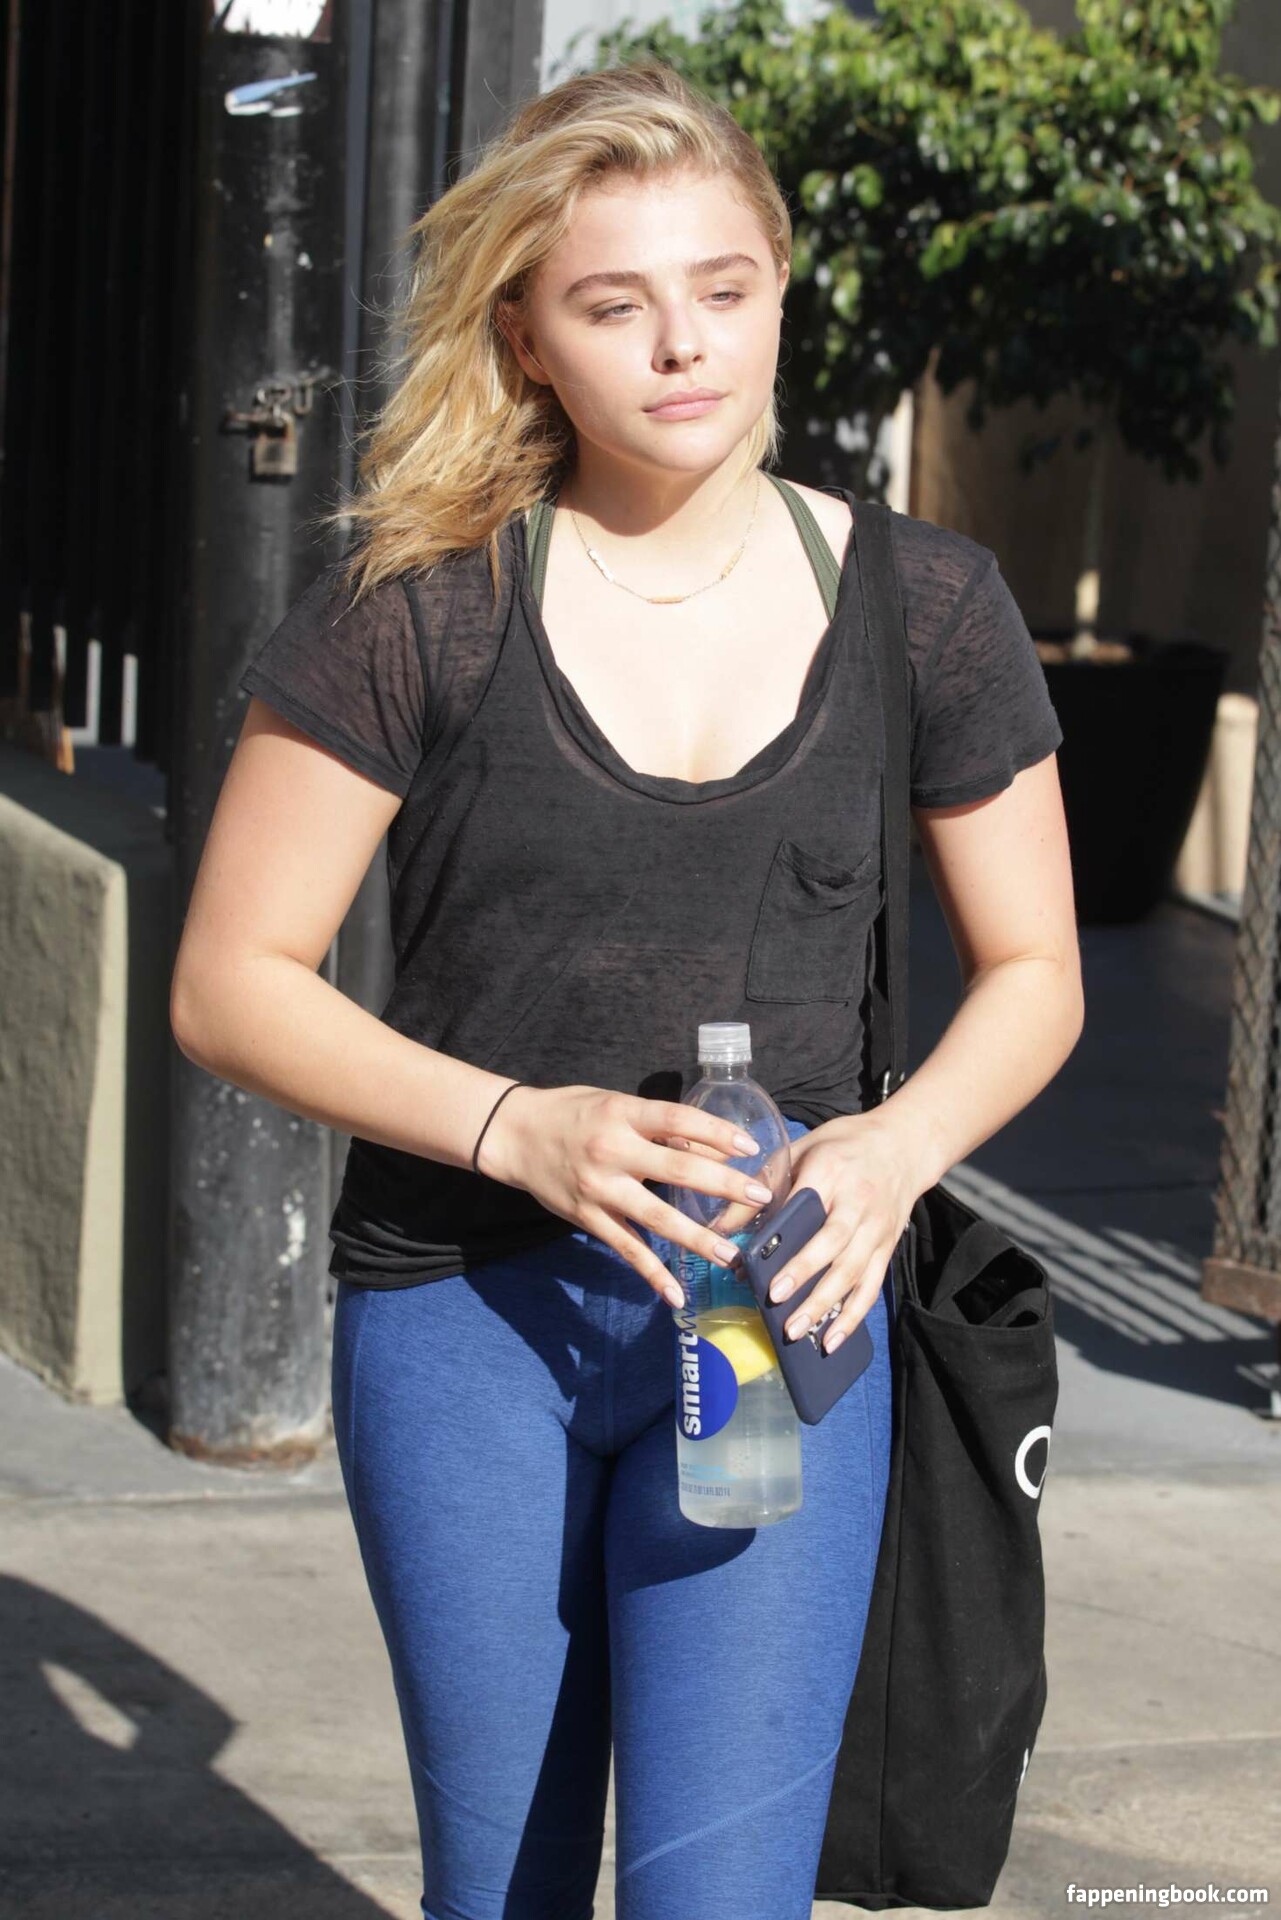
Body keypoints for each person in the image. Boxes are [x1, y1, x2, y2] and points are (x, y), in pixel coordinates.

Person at [169, 57, 1083, 1920]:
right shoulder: (418, 604)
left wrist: (896, 1148)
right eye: (612, 303)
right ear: (524, 334)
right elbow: (229, 983)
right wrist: (519, 1126)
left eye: (721, 288)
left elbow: (1036, 970)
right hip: (465, 1322)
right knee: (497, 1894)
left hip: (769, 1323)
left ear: (777, 291)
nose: (682, 344)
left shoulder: (926, 608)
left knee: (713, 1898)